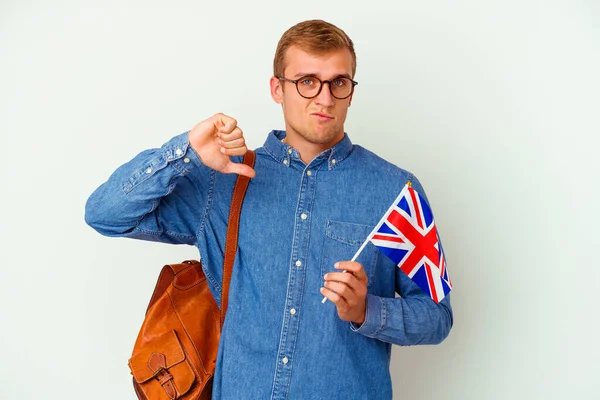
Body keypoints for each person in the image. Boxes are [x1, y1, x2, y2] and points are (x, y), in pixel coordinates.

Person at [85, 19, 453, 400]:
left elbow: (438, 317)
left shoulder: (396, 191)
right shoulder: (223, 180)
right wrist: (186, 152)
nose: (324, 98)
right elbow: (105, 214)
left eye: (338, 83)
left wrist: (366, 311)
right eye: (307, 81)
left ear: (350, 92)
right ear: (277, 88)